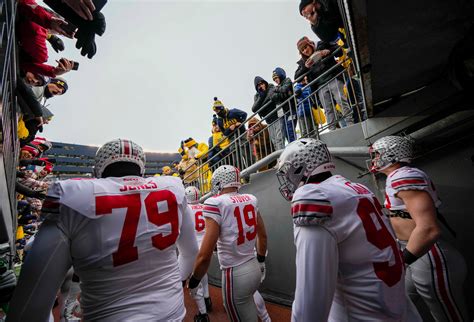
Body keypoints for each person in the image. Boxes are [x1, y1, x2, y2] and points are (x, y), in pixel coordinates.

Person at [7, 139, 199, 321]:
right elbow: (190, 253)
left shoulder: (73, 196)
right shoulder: (172, 188)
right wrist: (177, 283)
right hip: (171, 312)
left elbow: (29, 308)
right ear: (141, 167)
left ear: (98, 167)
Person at [276, 138, 421, 321]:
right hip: (395, 306)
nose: (287, 178)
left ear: (299, 168)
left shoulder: (313, 195)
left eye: (287, 171)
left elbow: (312, 295)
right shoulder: (356, 188)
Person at [369, 136, 469, 322]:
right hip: (415, 254)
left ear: (391, 154)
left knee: (450, 318)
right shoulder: (396, 177)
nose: (374, 159)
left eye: (377, 154)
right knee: (397, 309)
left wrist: (402, 260)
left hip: (427, 255)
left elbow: (429, 229)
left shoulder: (403, 176)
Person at [188, 165, 268, 322]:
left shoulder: (215, 203)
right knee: (251, 300)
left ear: (218, 183)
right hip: (253, 265)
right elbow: (263, 236)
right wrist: (261, 260)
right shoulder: (251, 199)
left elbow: (205, 256)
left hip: (234, 272)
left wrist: (194, 280)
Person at [295, 36, 353, 131]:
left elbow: (338, 50)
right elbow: (296, 77)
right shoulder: (303, 62)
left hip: (334, 78)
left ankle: (351, 124)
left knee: (341, 100)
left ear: (310, 44)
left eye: (306, 47)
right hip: (320, 86)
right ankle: (332, 130)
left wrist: (327, 51)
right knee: (328, 109)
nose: (305, 51)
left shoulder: (322, 44)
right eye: (302, 50)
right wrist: (305, 67)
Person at [185, 186, 212, 322]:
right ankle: (207, 299)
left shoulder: (186, 209)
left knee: (194, 281)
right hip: (206, 245)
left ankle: (203, 313)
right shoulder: (205, 206)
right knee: (203, 272)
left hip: (193, 247)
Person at [252, 76, 283, 150]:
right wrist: (261, 97)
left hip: (277, 117)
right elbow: (254, 109)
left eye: (262, 83)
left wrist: (261, 104)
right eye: (259, 85)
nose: (261, 86)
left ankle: (283, 154)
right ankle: (279, 158)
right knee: (274, 141)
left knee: (280, 139)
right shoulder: (257, 96)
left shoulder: (271, 87)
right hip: (269, 121)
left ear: (265, 83)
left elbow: (270, 97)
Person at [270, 67, 297, 144]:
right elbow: (272, 97)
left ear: (280, 75)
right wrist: (278, 92)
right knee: (286, 131)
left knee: (290, 129)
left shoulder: (287, 80)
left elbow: (284, 89)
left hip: (292, 110)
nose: (275, 80)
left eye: (276, 77)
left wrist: (276, 90)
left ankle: (295, 144)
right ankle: (292, 144)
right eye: (274, 79)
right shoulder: (279, 86)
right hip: (286, 112)